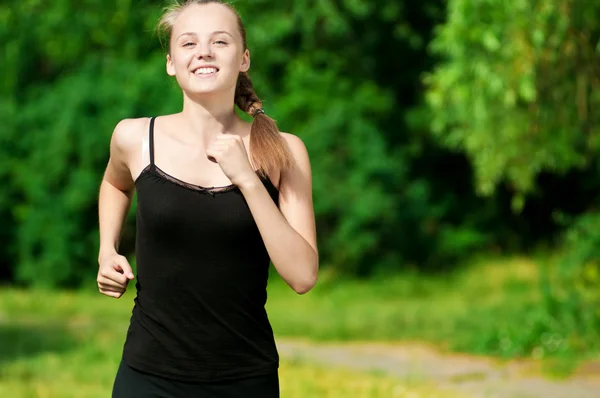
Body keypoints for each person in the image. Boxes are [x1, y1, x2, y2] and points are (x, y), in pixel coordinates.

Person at [96, 1, 319, 396]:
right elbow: (115, 184)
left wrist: (247, 180)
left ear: (244, 58)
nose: (204, 51)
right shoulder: (134, 138)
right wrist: (107, 248)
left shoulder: (285, 151)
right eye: (188, 43)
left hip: (245, 379)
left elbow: (302, 276)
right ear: (170, 62)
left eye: (220, 41)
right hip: (147, 376)